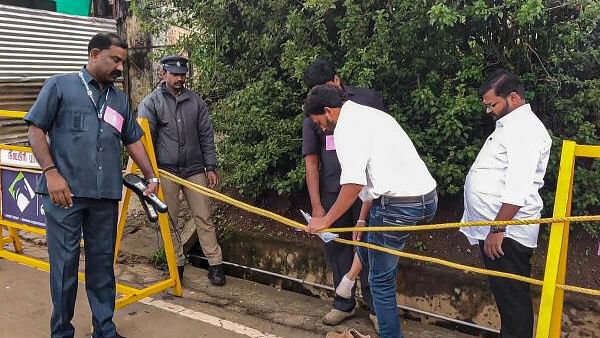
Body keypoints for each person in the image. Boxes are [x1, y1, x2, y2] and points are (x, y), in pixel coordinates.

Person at [25, 32, 159, 338]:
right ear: (94, 54)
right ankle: (61, 333)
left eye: (122, 62)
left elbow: (134, 140)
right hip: (65, 195)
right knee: (64, 269)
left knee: (102, 268)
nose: (119, 68)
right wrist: (51, 172)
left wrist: (151, 175)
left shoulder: (119, 99)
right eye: (115, 60)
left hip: (104, 196)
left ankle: (104, 331)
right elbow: (35, 130)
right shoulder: (60, 86)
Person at [304, 84, 438, 338]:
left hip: (399, 206)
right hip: (427, 200)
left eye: (318, 121)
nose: (321, 128)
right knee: (370, 235)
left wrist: (326, 220)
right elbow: (370, 179)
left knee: (380, 283)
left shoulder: (345, 130)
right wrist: (363, 216)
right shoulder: (370, 115)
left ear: (328, 111)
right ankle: (349, 280)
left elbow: (353, 184)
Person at [459, 69, 551, 338]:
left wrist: (497, 229)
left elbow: (518, 185)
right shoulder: (510, 126)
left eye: (492, 104)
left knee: (513, 302)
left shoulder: (525, 129)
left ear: (514, 97)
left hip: (507, 233)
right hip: (499, 230)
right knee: (507, 298)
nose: (488, 110)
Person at [302, 58, 383, 328]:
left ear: (337, 80)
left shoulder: (367, 101)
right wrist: (317, 206)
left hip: (367, 190)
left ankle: (375, 306)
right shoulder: (313, 111)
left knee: (369, 248)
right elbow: (311, 160)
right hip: (333, 191)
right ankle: (343, 302)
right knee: (336, 248)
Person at [138, 55, 225, 286]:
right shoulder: (151, 103)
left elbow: (206, 135)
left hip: (195, 169)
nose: (179, 79)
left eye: (182, 74)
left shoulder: (196, 102)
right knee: (169, 220)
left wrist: (211, 166)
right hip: (166, 172)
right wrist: (151, 176)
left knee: (204, 217)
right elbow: (145, 143)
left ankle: (215, 264)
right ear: (162, 74)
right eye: (174, 74)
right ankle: (176, 265)